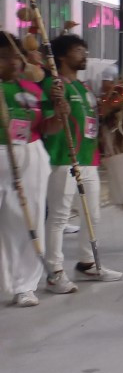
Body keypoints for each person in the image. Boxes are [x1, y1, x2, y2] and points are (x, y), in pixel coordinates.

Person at [40, 35, 122, 289]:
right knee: (59, 216)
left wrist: (111, 113)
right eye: (78, 50)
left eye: (85, 50)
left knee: (92, 215)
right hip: (63, 159)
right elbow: (48, 123)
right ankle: (54, 272)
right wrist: (58, 111)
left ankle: (87, 263)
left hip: (88, 159)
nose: (84, 55)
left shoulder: (83, 87)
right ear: (61, 56)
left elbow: (93, 121)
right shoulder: (54, 85)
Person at [0, 32, 65, 305]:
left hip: (29, 154)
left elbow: (48, 127)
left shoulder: (32, 89)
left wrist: (60, 112)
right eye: (4, 58)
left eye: (16, 56)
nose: (14, 62)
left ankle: (25, 285)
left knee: (28, 219)